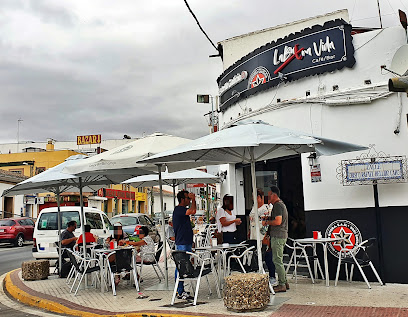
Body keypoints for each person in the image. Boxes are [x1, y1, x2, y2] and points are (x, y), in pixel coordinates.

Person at [263, 185, 289, 292]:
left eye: (269, 196)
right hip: (281, 235)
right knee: (278, 259)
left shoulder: (278, 206)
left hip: (278, 236)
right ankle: (285, 281)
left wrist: (267, 222)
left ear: (274, 195)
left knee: (277, 260)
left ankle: (282, 284)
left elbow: (278, 221)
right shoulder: (280, 205)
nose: (268, 199)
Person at [173, 190, 196, 300]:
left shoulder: (182, 210)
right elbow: (193, 210)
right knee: (180, 266)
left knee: (184, 266)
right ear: (182, 199)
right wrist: (194, 200)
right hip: (182, 242)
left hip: (186, 241)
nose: (189, 200)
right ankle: (179, 291)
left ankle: (181, 290)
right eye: (188, 198)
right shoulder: (178, 210)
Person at [250, 189, 276, 285]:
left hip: (263, 236)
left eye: (255, 196)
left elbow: (267, 224)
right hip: (255, 236)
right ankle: (259, 275)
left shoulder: (266, 209)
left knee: (268, 257)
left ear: (260, 197)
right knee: (257, 256)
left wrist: (266, 235)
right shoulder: (254, 208)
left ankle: (272, 276)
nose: (253, 198)